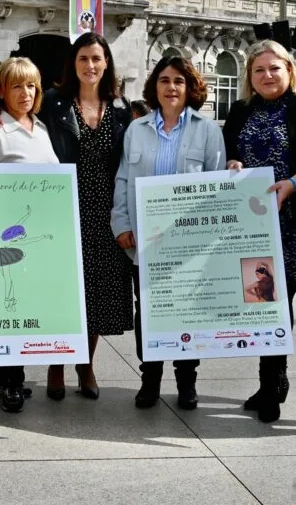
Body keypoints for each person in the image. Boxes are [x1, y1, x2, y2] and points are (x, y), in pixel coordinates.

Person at [0, 33, 134, 402]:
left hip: (106, 211)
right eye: (83, 58)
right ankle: (56, 365)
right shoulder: (54, 102)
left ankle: (86, 365)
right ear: (73, 64)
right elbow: (22, 118)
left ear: (107, 63)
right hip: (63, 210)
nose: (90, 66)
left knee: (98, 294)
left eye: (97, 58)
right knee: (63, 291)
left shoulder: (120, 108)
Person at [222, 40, 296, 423]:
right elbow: (230, 151)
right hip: (252, 224)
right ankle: (274, 378)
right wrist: (233, 163)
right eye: (259, 70)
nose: (267, 75)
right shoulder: (240, 110)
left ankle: (271, 386)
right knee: (262, 301)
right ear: (249, 76)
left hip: (293, 223)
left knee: (272, 299)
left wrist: (292, 183)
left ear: (289, 69)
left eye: (274, 68)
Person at [111, 55, 226, 410]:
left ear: (190, 87)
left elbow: (217, 184)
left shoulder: (207, 130)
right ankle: (150, 378)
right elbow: (123, 180)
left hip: (188, 241)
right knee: (147, 311)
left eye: (179, 80)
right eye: (164, 80)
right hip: (145, 241)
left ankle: (186, 380)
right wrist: (121, 223)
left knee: (187, 310)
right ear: (154, 86)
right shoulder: (137, 129)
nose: (171, 87)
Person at [0, 57, 59, 413]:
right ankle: (11, 379)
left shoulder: (41, 129)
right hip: (8, 233)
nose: (25, 93)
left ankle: (2, 373)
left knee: (30, 305)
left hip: (40, 228)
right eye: (16, 86)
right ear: (1, 91)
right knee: (12, 304)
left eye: (31, 86)